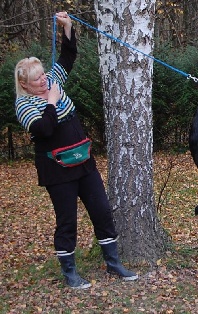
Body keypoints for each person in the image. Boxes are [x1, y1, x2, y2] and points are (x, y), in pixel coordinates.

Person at [14, 12, 138, 289]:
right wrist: (52, 102)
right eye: (36, 80)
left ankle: (113, 263)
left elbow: (68, 56)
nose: (43, 81)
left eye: (43, 75)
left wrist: (67, 26)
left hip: (83, 161)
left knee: (102, 211)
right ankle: (69, 272)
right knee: (67, 221)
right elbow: (44, 130)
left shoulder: (53, 81)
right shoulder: (24, 105)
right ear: (24, 84)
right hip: (57, 171)